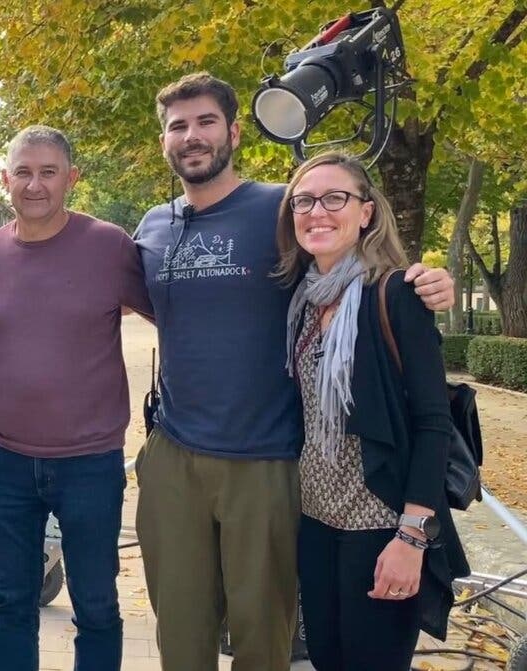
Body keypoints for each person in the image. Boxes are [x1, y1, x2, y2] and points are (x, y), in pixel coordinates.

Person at [131, 72, 455, 670]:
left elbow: (353, 260)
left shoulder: (282, 208)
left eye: (206, 122)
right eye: (178, 126)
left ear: (232, 132)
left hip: (268, 458)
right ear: (164, 141)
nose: (192, 136)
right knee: (179, 631)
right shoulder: (152, 227)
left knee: (263, 635)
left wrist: (426, 280)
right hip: (174, 451)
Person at [0, 125, 153, 671]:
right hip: (6, 462)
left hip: (91, 463)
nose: (35, 184)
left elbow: (178, 315)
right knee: (13, 604)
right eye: (23, 172)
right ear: (5, 179)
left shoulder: (109, 246)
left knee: (95, 605)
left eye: (48, 172)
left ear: (72, 178)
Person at [276, 152, 469, 670]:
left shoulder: (396, 294)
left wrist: (411, 538)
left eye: (335, 198)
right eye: (304, 201)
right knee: (327, 661)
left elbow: (433, 423)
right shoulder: (299, 301)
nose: (318, 211)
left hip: (381, 525)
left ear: (365, 213)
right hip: (316, 523)